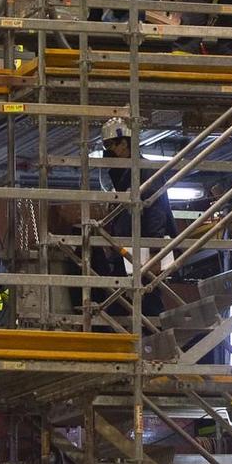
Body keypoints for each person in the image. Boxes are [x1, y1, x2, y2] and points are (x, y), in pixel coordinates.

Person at [89, 115, 179, 320]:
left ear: (125, 143)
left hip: (144, 247)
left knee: (147, 299)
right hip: (128, 246)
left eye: (112, 145)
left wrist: (154, 248)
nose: (109, 151)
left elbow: (155, 210)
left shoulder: (144, 171)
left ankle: (155, 338)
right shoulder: (121, 174)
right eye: (106, 145)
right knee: (120, 298)